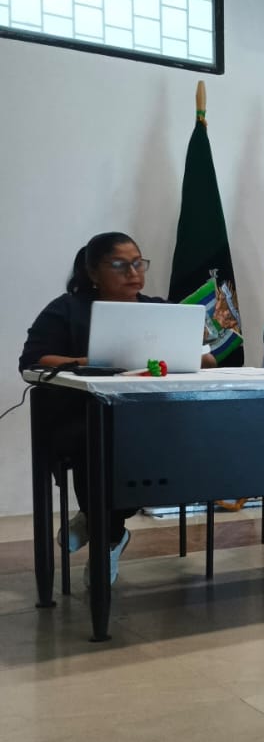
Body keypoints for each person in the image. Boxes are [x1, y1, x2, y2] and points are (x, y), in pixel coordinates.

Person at [18, 232, 216, 584]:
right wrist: (90, 361)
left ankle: (97, 521)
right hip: (81, 415)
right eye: (120, 265)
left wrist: (185, 353)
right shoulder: (67, 308)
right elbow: (34, 360)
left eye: (138, 263)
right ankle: (109, 536)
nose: (133, 272)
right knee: (98, 439)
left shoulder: (161, 310)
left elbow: (208, 359)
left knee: (157, 444)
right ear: (93, 272)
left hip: (149, 418)